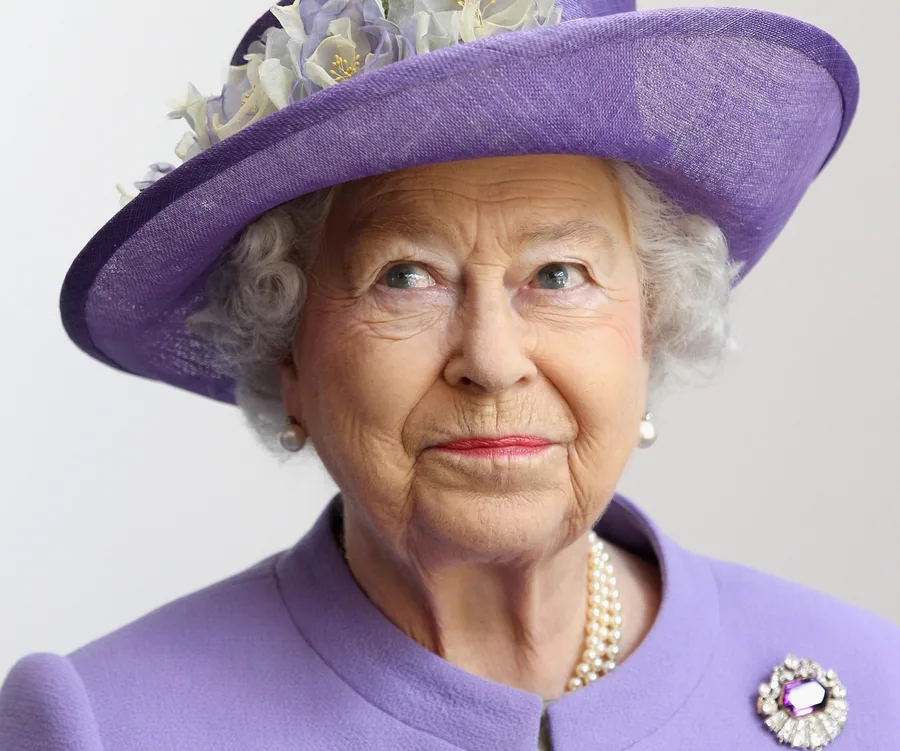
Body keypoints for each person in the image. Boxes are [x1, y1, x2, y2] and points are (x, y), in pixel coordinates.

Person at [1, 0, 898, 749]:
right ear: (290, 359)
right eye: (405, 277)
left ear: (649, 326)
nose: (494, 360)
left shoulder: (874, 685)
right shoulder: (105, 725)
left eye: (558, 275)